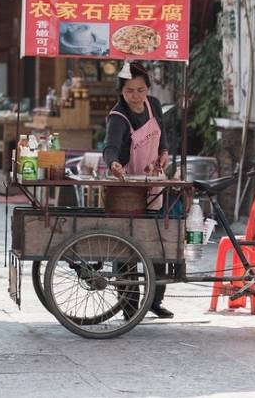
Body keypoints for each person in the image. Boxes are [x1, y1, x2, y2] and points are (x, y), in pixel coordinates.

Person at [102, 61, 173, 319]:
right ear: (121, 91)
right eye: (130, 91)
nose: (136, 96)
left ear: (148, 89)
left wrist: (164, 152)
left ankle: (155, 300)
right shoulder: (118, 116)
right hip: (127, 188)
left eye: (140, 90)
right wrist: (113, 164)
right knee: (128, 245)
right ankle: (129, 305)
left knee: (158, 240)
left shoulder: (154, 105)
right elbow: (109, 147)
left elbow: (161, 134)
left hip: (153, 182)